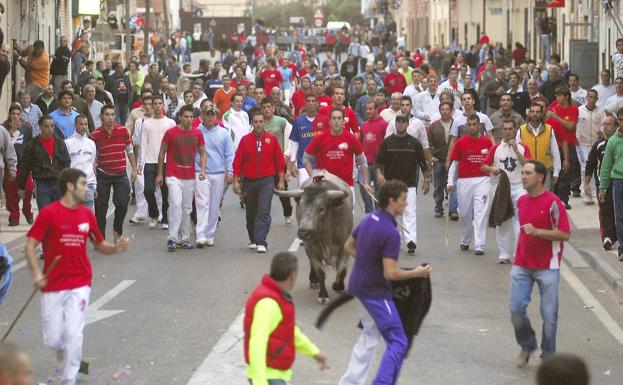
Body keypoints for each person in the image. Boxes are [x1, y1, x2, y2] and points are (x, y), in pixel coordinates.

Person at [25, 168, 130, 385]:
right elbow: (30, 244)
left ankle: (69, 378)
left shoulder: (86, 214)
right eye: (83, 184)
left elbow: (99, 244)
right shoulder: (49, 213)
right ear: (70, 187)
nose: (87, 188)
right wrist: (36, 272)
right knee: (53, 339)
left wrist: (115, 248)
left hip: (80, 282)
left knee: (73, 333)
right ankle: (70, 360)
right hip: (52, 284)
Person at [340, 180, 432, 385]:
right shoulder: (391, 233)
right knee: (398, 341)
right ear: (392, 201)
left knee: (369, 337)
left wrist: (367, 263)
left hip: (359, 286)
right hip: (375, 293)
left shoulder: (368, 219)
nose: (406, 204)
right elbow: (390, 273)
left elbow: (349, 246)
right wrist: (416, 273)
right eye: (403, 200)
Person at [510, 160, 570, 367]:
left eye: (527, 173)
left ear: (540, 177)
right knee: (516, 309)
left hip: (548, 266)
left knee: (549, 316)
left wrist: (538, 232)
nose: (523, 177)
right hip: (522, 264)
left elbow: (564, 234)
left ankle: (548, 357)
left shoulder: (554, 202)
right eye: (522, 173)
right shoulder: (521, 200)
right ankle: (527, 344)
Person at [244, 252, 328, 385]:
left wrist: (314, 352)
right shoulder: (269, 303)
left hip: (273, 375)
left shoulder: (276, 297)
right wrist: (259, 381)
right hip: (269, 377)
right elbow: (257, 343)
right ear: (293, 275)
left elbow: (289, 331)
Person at [375, 113, 429, 254]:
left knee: (410, 212)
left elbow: (423, 163)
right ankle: (394, 239)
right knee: (392, 214)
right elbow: (379, 162)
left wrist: (427, 180)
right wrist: (379, 174)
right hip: (391, 185)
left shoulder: (414, 143)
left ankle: (411, 241)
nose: (400, 124)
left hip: (409, 184)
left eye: (403, 121)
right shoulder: (387, 143)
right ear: (395, 124)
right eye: (398, 121)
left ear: (407, 124)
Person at [233, 110, 285, 253]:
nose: (258, 125)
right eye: (255, 122)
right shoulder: (245, 140)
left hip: (267, 180)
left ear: (264, 123)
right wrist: (236, 181)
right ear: (252, 123)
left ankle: (262, 241)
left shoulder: (271, 139)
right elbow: (237, 162)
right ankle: (253, 239)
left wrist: (280, 180)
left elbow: (279, 162)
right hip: (249, 181)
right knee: (251, 212)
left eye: (261, 122)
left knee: (263, 210)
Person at [157, 105, 206, 251]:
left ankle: (184, 238)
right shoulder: (171, 133)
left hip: (189, 176)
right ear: (180, 117)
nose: (189, 119)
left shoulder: (197, 133)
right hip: (173, 175)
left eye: (191, 117)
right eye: (186, 116)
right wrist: (160, 173)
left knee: (187, 208)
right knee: (175, 204)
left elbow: (203, 152)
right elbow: (162, 152)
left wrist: (202, 170)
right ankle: (172, 238)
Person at [481, 119, 531, 263]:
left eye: (510, 129)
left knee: (520, 222)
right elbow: (484, 166)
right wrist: (492, 169)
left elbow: (528, 165)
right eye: (505, 129)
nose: (508, 131)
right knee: (502, 221)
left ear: (515, 130)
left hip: (520, 188)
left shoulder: (522, 147)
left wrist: (516, 150)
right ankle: (503, 254)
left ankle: (518, 254)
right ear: (502, 130)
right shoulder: (496, 148)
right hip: (501, 189)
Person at [447, 114, 492, 255]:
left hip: (483, 180)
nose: (472, 127)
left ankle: (479, 244)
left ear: (479, 125)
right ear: (467, 126)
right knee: (464, 213)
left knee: (480, 212)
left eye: (475, 124)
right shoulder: (460, 142)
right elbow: (455, 164)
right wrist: (450, 181)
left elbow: (492, 163)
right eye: (470, 124)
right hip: (464, 181)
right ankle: (465, 239)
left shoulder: (487, 142)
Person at [91, 104, 138, 240]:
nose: (110, 118)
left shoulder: (123, 131)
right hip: (102, 174)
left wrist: (134, 169)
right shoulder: (95, 135)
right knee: (101, 208)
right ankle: (100, 238)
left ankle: (118, 231)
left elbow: (129, 150)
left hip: (120, 173)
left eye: (112, 114)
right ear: (101, 117)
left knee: (123, 203)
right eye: (107, 115)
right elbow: (93, 156)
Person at [304, 108, 371, 201]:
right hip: (326, 185)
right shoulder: (320, 138)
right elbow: (306, 157)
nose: (336, 121)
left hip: (346, 185)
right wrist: (312, 176)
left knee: (348, 214)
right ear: (329, 121)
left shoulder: (351, 138)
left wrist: (366, 183)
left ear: (343, 121)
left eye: (339, 118)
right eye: (334, 118)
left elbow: (363, 161)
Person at [195, 104, 234, 247]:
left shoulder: (224, 133)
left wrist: (230, 171)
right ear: (202, 116)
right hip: (201, 172)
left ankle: (209, 234)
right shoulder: (197, 132)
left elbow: (229, 154)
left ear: (216, 116)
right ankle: (200, 234)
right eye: (207, 114)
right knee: (202, 203)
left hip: (218, 173)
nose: (210, 117)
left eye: (212, 114)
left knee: (214, 206)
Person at [19, 115, 69, 209]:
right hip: (42, 184)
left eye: (52, 126)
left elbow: (66, 163)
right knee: (45, 213)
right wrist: (21, 186)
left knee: (58, 214)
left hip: (58, 183)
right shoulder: (32, 145)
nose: (50, 129)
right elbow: (25, 167)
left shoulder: (60, 143)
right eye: (46, 126)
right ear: (40, 127)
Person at [140, 96, 176, 229]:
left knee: (166, 191)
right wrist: (141, 163)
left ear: (163, 106)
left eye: (160, 103)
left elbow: (173, 143)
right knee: (148, 190)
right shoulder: (146, 123)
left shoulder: (170, 123)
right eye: (155, 104)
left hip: (167, 162)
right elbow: (143, 144)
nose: (157, 106)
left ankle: (166, 219)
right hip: (150, 161)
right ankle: (154, 214)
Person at [585, 115, 618, 251]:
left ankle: (617, 235)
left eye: (609, 124)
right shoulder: (598, 144)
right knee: (605, 210)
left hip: (618, 181)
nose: (605, 127)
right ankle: (607, 237)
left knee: (618, 211)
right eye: (604, 124)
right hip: (602, 184)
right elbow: (590, 164)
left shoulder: (618, 143)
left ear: (616, 126)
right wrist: (586, 183)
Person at [261, 98, 293, 224]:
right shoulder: (259, 122)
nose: (267, 109)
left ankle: (288, 212)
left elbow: (291, 139)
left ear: (273, 108)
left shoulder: (282, 122)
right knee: (264, 190)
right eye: (264, 107)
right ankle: (264, 217)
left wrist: (287, 154)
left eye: (269, 106)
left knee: (281, 188)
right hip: (264, 163)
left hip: (279, 162)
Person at [546, 87, 579, 209]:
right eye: (556, 95)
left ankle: (563, 200)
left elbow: (570, 126)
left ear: (567, 97)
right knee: (556, 173)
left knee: (566, 173)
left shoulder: (573, 109)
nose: (557, 98)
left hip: (569, 145)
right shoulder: (553, 108)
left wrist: (557, 118)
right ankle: (554, 200)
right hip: (555, 145)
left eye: (560, 95)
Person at [517, 102, 561, 190]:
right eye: (532, 112)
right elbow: (518, 152)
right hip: (527, 170)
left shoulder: (549, 129)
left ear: (542, 113)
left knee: (545, 198)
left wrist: (556, 172)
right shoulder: (521, 130)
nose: (535, 114)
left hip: (545, 170)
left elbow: (555, 152)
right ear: (529, 113)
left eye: (537, 112)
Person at [288, 93, 329, 186]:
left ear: (317, 104)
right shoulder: (299, 121)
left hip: (321, 165)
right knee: (304, 192)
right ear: (305, 103)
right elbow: (295, 142)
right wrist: (293, 162)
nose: (311, 103)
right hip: (303, 165)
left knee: (320, 194)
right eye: (308, 101)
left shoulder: (325, 120)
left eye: (313, 101)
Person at [598, 108, 623, 261]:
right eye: (620, 120)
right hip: (618, 182)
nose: (622, 122)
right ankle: (622, 248)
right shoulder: (613, 140)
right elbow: (606, 166)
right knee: (619, 216)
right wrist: (602, 188)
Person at [2, 104, 32, 225]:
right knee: (11, 193)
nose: (15, 116)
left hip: (24, 165)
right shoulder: (3, 128)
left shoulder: (26, 128)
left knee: (29, 189)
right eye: (13, 113)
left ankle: (27, 210)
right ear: (9, 114)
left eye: (18, 114)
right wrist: (12, 129)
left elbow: (30, 146)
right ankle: (14, 216)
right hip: (8, 166)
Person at [429, 101, 458, 219]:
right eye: (443, 109)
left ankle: (453, 210)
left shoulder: (456, 124)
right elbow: (428, 142)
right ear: (439, 111)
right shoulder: (434, 125)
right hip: (438, 159)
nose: (445, 111)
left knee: (451, 184)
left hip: (453, 159)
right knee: (438, 184)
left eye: (447, 109)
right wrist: (431, 156)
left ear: (451, 111)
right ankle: (438, 207)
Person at [576, 89, 605, 204]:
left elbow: (604, 125)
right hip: (582, 144)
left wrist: (602, 132)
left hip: (595, 144)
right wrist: (575, 137)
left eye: (594, 97)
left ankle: (593, 192)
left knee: (595, 168)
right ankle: (586, 194)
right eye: (590, 97)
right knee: (584, 168)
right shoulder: (579, 110)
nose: (592, 99)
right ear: (587, 98)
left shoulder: (600, 112)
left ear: (597, 99)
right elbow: (575, 125)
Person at [65, 115, 96, 209]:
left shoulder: (91, 143)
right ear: (75, 125)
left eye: (85, 124)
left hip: (89, 184)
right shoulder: (67, 143)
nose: (83, 127)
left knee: (86, 215)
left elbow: (92, 165)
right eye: (81, 124)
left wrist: (94, 186)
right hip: (73, 184)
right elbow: (65, 165)